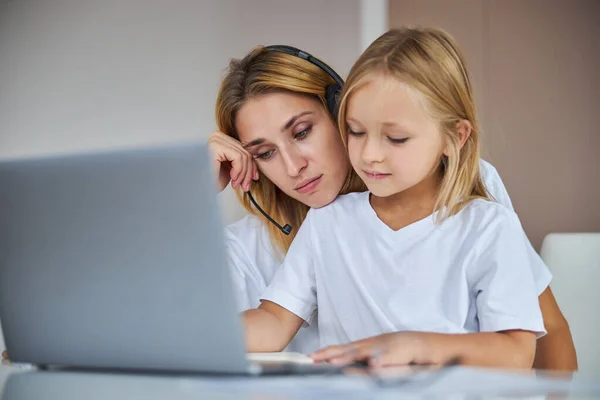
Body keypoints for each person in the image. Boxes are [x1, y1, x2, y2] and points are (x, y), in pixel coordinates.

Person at [1, 39, 577, 370]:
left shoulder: (473, 201)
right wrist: (180, 195)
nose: (294, 166)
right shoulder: (295, 235)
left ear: (337, 107)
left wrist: (425, 347)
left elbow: (537, 340)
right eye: (265, 152)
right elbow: (209, 324)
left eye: (302, 131)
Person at [240, 27, 567, 369]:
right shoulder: (326, 222)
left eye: (395, 138)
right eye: (356, 131)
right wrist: (183, 334)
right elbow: (274, 322)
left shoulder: (489, 227)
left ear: (453, 138)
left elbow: (517, 353)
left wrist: (417, 345)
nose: (370, 155)